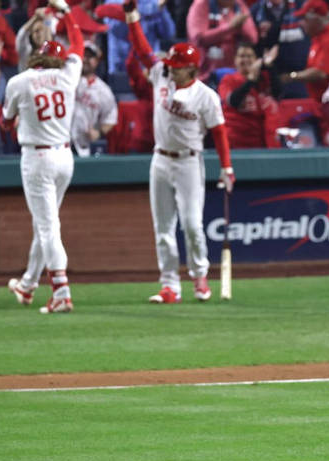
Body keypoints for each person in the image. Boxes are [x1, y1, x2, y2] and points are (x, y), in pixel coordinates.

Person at [124, 0, 237, 304]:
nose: (170, 70)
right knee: (163, 227)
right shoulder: (161, 73)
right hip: (160, 159)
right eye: (171, 66)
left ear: (192, 68)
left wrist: (226, 168)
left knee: (191, 224)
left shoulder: (206, 96)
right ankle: (169, 285)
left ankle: (200, 278)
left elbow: (219, 133)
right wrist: (132, 16)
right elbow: (142, 48)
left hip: (189, 161)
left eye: (177, 67)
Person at [3, 0, 83, 314]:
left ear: (38, 56)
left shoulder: (19, 82)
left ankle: (61, 291)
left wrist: (18, 121)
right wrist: (66, 14)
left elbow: (5, 123)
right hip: (65, 157)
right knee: (45, 225)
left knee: (49, 227)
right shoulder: (68, 76)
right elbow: (77, 43)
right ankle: (27, 284)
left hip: (37, 159)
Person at [280, 0, 329, 103]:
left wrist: (291, 76)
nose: (301, 23)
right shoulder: (318, 38)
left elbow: (320, 73)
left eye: (304, 19)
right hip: (321, 101)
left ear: (316, 19)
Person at [218, 41, 281, 148]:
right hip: (236, 142)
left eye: (249, 56)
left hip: (261, 142)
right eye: (242, 56)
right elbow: (233, 101)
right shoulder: (229, 79)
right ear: (235, 60)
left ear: (256, 60)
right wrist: (251, 79)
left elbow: (278, 93)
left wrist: (269, 65)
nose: (246, 60)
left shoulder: (263, 79)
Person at [187, 0, 258, 83]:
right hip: (205, 75)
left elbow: (253, 38)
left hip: (233, 76)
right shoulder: (202, 4)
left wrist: (241, 27)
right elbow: (198, 38)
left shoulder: (239, 5)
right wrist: (230, 27)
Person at [251, 0, 311, 98]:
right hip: (271, 77)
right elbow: (252, 43)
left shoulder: (301, 5)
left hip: (301, 76)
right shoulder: (256, 10)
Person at [97, 0, 176, 74]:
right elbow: (124, 14)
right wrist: (153, 8)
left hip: (149, 67)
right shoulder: (113, 1)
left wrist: (162, 11)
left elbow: (168, 34)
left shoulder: (153, 2)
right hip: (121, 66)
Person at [71, 41, 118, 156]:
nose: (86, 60)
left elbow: (110, 119)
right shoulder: (66, 80)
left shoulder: (104, 90)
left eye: (90, 57)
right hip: (60, 143)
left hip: (83, 146)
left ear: (97, 61)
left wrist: (98, 132)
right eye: (83, 56)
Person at [15, 7, 53, 73]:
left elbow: (49, 42)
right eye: (36, 31)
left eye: (42, 30)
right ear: (31, 36)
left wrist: (47, 19)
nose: (39, 34)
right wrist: (35, 17)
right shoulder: (26, 51)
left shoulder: (52, 51)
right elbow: (21, 35)